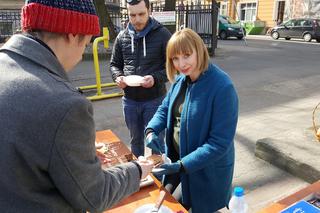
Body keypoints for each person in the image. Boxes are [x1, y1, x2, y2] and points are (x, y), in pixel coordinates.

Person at [0, 0, 154, 212]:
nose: (82, 54)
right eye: (86, 43)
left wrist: (73, 155)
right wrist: (136, 170)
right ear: (72, 34)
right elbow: (95, 194)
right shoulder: (65, 105)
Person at [145, 28, 239, 213]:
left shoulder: (222, 87)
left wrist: (182, 165)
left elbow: (219, 143)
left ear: (199, 50)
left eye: (187, 55)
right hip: (177, 165)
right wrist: (151, 130)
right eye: (175, 58)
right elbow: (164, 109)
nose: (181, 63)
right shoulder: (181, 80)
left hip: (205, 171)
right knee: (164, 206)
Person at [110, 0, 171, 157]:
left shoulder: (163, 34)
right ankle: (138, 176)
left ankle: (158, 179)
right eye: (132, 15)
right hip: (130, 101)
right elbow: (114, 64)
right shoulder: (122, 36)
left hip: (155, 100)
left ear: (149, 11)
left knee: (156, 142)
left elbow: (172, 66)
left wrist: (155, 78)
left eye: (141, 14)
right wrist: (118, 77)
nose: (137, 19)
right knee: (135, 141)